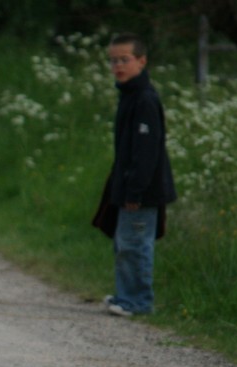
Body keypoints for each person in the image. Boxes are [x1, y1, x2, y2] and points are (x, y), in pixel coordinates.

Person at [97, 32, 176, 317]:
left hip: (143, 191)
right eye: (113, 60)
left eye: (124, 59)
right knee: (124, 243)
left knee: (136, 245)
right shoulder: (129, 95)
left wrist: (135, 191)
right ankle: (125, 295)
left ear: (141, 61)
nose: (118, 66)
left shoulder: (144, 99)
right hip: (128, 186)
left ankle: (138, 302)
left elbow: (146, 152)